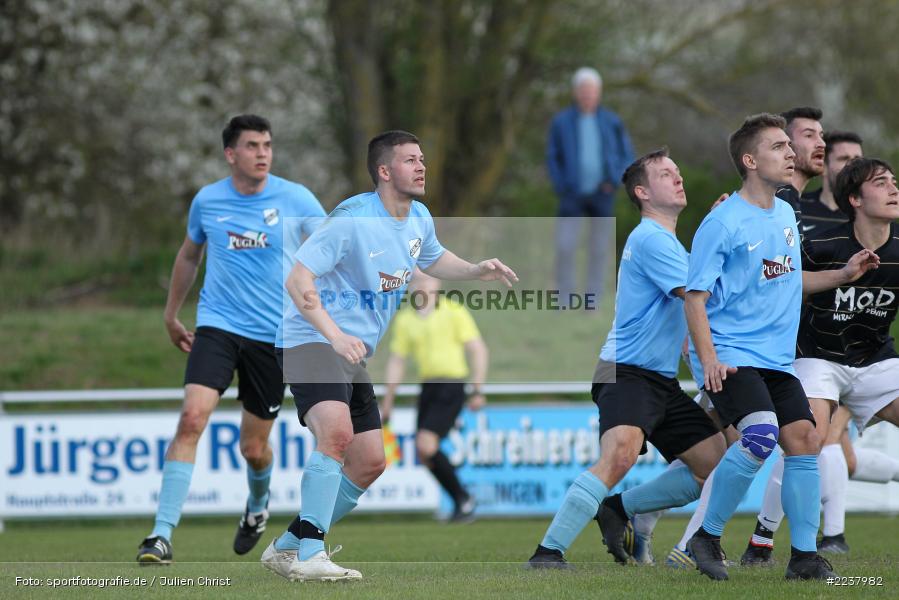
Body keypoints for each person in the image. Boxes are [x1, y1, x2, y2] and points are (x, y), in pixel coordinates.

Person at [261, 130, 518, 582]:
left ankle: (286, 546)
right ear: (384, 171)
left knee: (370, 462)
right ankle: (311, 554)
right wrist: (334, 335)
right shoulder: (352, 220)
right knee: (336, 434)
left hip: (350, 352)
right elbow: (298, 280)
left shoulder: (418, 217)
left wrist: (475, 270)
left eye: (422, 159)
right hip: (310, 339)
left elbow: (433, 259)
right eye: (410, 160)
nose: (421, 166)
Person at [136, 115, 326, 565]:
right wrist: (171, 314)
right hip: (217, 326)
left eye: (267, 145)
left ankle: (257, 506)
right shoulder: (207, 200)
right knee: (191, 419)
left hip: (274, 337)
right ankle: (160, 535)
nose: (263, 153)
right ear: (230, 154)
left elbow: (333, 249)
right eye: (252, 145)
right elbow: (189, 256)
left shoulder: (296, 198)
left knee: (253, 449)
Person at [527, 149, 725, 569]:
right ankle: (547, 553)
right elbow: (701, 295)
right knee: (620, 455)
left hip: (660, 380)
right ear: (642, 192)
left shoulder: (669, 244)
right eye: (666, 174)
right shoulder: (651, 238)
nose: (678, 178)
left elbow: (697, 291)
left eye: (677, 171)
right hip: (627, 371)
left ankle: (620, 508)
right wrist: (721, 232)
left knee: (713, 464)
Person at [683, 113, 841, 581]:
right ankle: (705, 537)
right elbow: (694, 298)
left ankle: (805, 557)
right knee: (759, 435)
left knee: (805, 440)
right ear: (750, 161)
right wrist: (709, 360)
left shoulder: (786, 214)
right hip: (730, 354)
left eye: (789, 146)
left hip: (775, 359)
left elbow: (790, 280)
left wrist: (844, 274)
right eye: (779, 146)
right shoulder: (722, 222)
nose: (790, 153)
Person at [746, 157, 899, 557]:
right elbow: (773, 278)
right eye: (881, 183)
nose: (894, 189)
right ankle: (762, 538)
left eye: (894, 181)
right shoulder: (823, 246)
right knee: (807, 440)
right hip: (818, 357)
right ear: (855, 200)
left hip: (875, 360)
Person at [381, 270, 488, 522]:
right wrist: (388, 401)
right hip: (428, 386)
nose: (421, 285)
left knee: (426, 444)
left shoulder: (453, 311)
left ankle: (464, 498)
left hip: (451, 385)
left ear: (438, 283)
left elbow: (477, 349)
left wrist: (477, 388)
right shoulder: (406, 319)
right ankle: (462, 501)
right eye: (416, 280)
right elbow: (397, 361)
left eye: (427, 279)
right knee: (424, 454)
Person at [547, 67, 635, 305]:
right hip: (571, 194)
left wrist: (614, 180)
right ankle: (564, 298)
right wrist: (561, 184)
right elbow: (552, 157)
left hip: (602, 194)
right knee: (565, 246)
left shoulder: (612, 121)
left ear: (599, 92)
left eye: (592, 90)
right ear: (576, 93)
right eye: (583, 90)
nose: (587, 94)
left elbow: (626, 155)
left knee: (599, 249)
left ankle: (592, 300)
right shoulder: (561, 122)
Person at [798, 131, 864, 234]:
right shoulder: (796, 206)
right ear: (823, 167)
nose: (852, 165)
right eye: (844, 159)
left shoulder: (868, 212)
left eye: (857, 160)